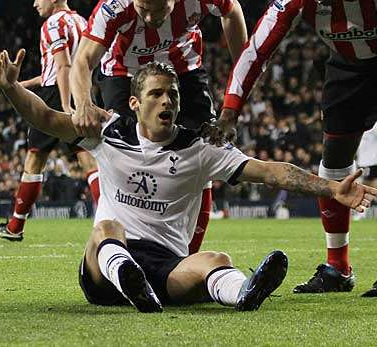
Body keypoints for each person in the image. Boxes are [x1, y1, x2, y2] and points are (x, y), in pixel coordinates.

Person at [0, 49, 377, 312]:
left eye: (173, 95)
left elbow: (268, 171)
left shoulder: (199, 148)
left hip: (165, 269)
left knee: (215, 260)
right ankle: (127, 277)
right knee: (105, 228)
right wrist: (12, 89)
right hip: (103, 272)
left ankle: (242, 294)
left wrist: (331, 187)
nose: (167, 102)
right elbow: (45, 119)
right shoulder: (107, 132)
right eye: (157, 94)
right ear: (135, 103)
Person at [215, 0, 377, 296]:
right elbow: (256, 50)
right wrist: (230, 109)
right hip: (348, 58)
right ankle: (337, 268)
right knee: (335, 155)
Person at [69, 0, 248, 254]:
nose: (151, 18)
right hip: (124, 74)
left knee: (206, 147)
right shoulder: (113, 7)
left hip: (182, 70)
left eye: (160, 10)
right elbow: (83, 59)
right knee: (125, 149)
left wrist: (242, 71)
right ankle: (121, 246)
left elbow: (232, 11)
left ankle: (188, 257)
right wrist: (84, 102)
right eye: (143, 10)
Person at [0, 0, 100, 241]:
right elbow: (57, 69)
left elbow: (63, 67)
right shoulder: (81, 22)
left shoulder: (52, 23)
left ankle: (15, 227)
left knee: (34, 158)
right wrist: (17, 86)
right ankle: (109, 220)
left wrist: (67, 105)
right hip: (83, 91)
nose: (35, 3)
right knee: (88, 158)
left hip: (57, 96)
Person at [352, 119, 377, 221]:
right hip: (362, 162)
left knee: (362, 186)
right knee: (370, 188)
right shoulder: (360, 124)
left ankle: (362, 212)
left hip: (372, 162)